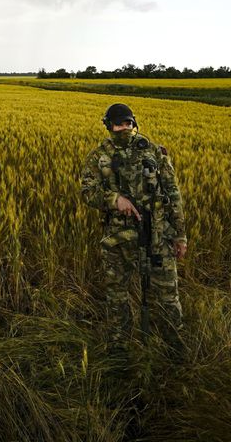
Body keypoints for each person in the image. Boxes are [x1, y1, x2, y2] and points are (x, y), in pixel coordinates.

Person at [79, 102, 187, 351]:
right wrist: (114, 200)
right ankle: (120, 348)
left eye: (128, 123)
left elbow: (173, 194)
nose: (124, 129)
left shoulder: (155, 152)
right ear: (109, 126)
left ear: (134, 123)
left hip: (157, 236)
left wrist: (180, 236)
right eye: (118, 124)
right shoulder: (99, 157)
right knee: (117, 296)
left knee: (168, 295)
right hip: (117, 239)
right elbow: (87, 192)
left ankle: (174, 346)